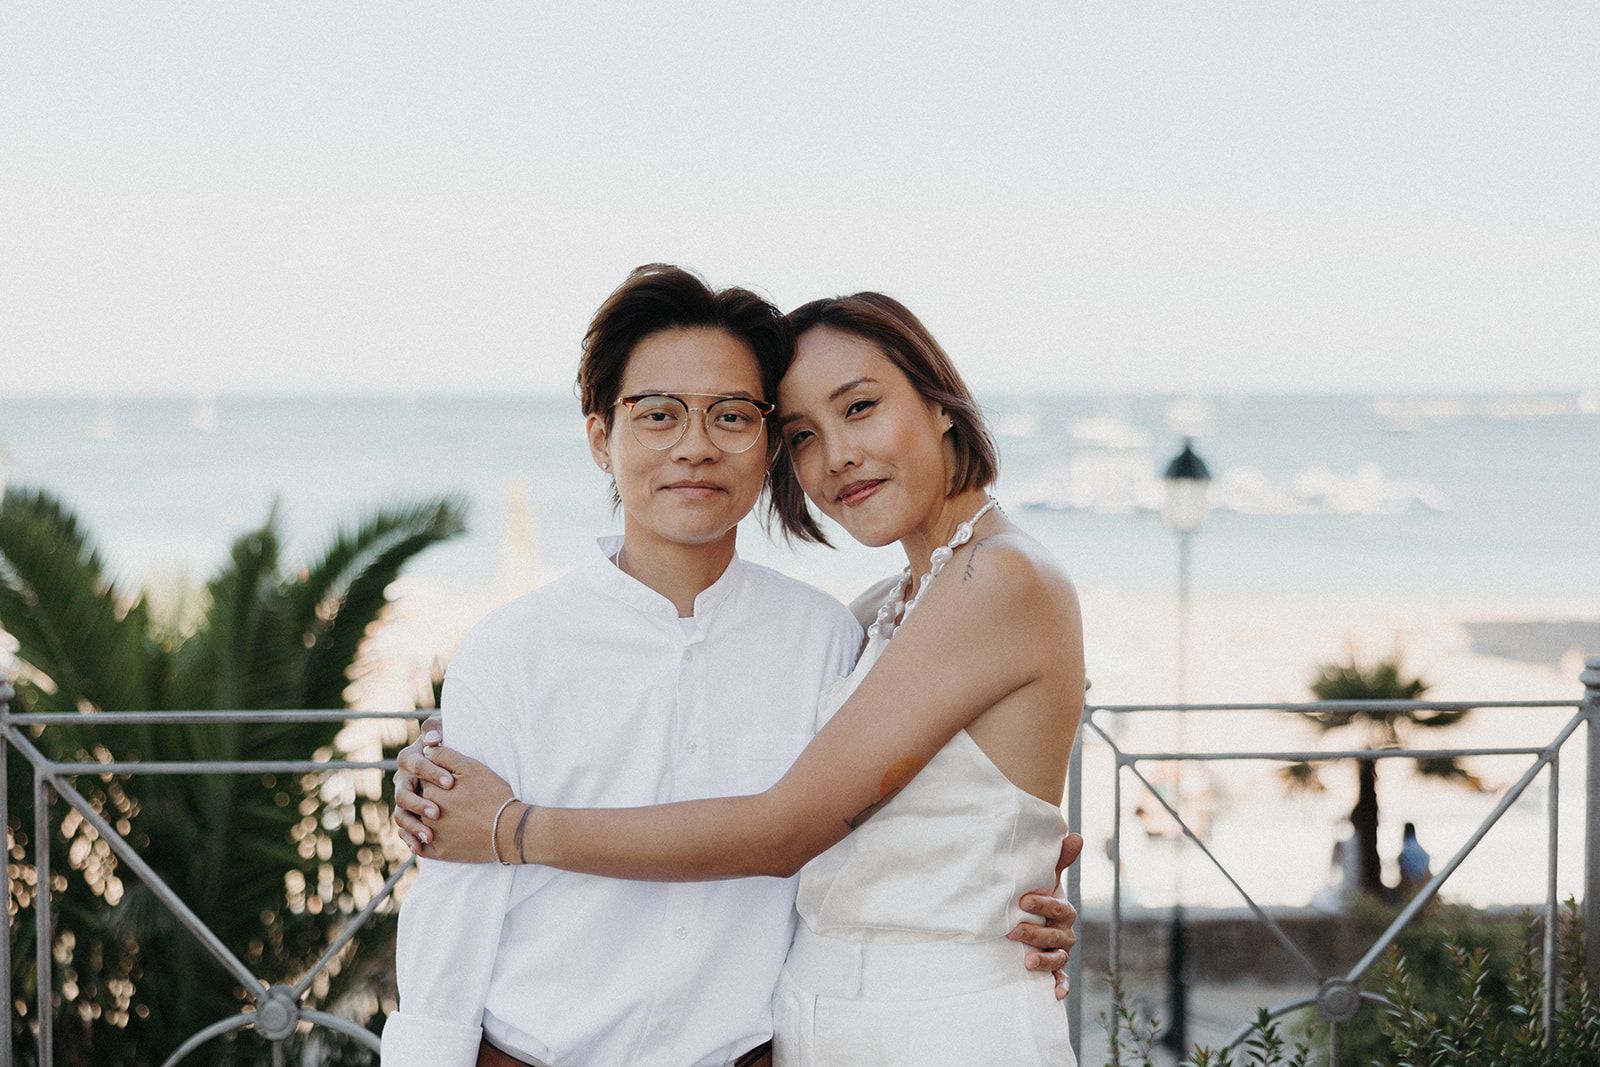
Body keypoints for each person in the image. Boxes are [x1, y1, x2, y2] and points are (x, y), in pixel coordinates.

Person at [381, 266, 1079, 1067]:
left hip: (908, 1032)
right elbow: (447, 926)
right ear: (602, 438)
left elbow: (786, 830)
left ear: (940, 404)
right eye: (806, 433)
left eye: (734, 417)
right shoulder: (515, 651)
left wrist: (509, 829)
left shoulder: (863, 621)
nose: (695, 446)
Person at [1397, 821, 1431, 891]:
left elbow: (1404, 871)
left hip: (1410, 884)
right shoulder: (1421, 849)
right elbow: (1426, 869)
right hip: (1422, 884)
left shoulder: (1406, 850)